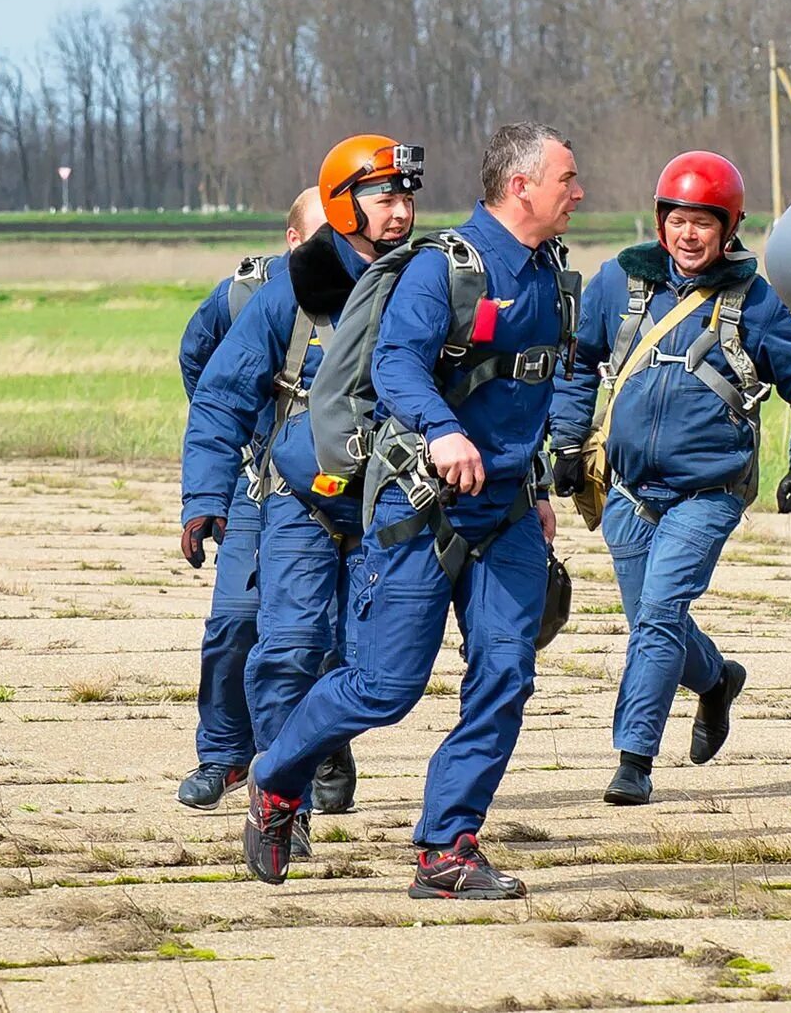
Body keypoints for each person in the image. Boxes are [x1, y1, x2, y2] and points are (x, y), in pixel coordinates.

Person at [243, 121, 582, 899]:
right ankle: (277, 778)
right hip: (421, 509)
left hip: (505, 516)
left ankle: (446, 848)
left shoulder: (549, 274)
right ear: (521, 185)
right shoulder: (442, 270)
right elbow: (396, 364)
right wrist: (443, 430)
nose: (579, 191)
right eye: (567, 178)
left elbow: (530, 392)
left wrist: (536, 490)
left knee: (505, 672)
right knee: (382, 687)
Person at [549, 151, 791, 807]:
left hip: (708, 493)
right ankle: (715, 682)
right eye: (678, 220)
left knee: (657, 617)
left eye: (703, 223)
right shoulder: (617, 286)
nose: (689, 235)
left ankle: (634, 759)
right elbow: (577, 363)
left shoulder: (756, 303)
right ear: (661, 223)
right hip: (625, 493)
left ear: (729, 228)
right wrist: (568, 440)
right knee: (654, 625)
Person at [179, 137, 420, 832]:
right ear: (346, 206)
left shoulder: (433, 282)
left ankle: (322, 746)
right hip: (295, 499)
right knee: (282, 648)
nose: (399, 212)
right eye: (383, 197)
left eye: (406, 197)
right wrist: (204, 496)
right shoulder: (287, 290)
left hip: (393, 504)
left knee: (360, 659)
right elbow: (220, 394)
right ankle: (284, 803)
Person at [173, 188, 322, 810]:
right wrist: (215, 478)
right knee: (236, 620)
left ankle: (317, 751)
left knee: (324, 635)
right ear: (292, 241)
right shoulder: (246, 294)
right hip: (260, 482)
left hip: (350, 489)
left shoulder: (387, 288)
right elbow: (204, 372)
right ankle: (226, 754)